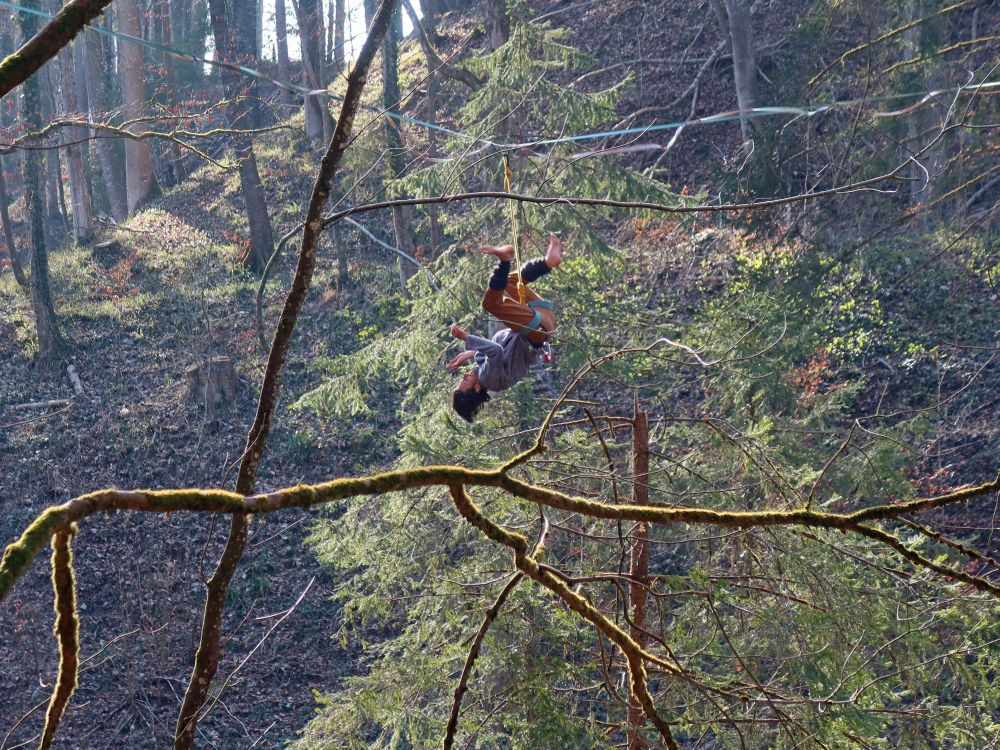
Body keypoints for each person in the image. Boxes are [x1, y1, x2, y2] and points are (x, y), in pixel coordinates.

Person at [448, 234, 564, 422]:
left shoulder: (488, 372)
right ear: (476, 388)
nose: (464, 375)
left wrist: (470, 353)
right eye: (465, 381)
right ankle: (504, 260)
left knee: (506, 283)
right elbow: (495, 350)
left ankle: (548, 262)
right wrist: (466, 338)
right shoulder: (489, 379)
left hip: (538, 319)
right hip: (535, 330)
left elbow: (490, 356)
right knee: (490, 304)